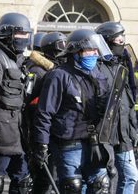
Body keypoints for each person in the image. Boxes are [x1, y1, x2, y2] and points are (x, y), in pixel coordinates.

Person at [33, 28, 113, 193]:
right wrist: (41, 143)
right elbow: (44, 113)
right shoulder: (59, 75)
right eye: (89, 50)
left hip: (94, 142)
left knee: (101, 185)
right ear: (75, 52)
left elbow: (107, 106)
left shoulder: (97, 74)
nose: (94, 54)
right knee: (72, 187)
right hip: (69, 143)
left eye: (95, 50)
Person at [0, 12, 33, 194]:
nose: (25, 39)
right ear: (8, 34)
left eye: (26, 35)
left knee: (23, 183)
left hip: (17, 131)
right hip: (0, 133)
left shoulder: (18, 60)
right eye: (21, 34)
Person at [95, 21, 138, 194]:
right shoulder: (97, 66)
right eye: (118, 39)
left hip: (124, 134)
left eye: (122, 38)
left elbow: (128, 102)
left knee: (130, 176)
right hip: (103, 135)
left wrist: (133, 131)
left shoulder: (122, 66)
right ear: (107, 40)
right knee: (101, 182)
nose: (122, 41)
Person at [23, 31, 66, 193]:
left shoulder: (57, 70)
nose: (63, 50)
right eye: (60, 46)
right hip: (39, 131)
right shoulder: (39, 71)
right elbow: (26, 100)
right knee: (44, 180)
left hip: (53, 131)